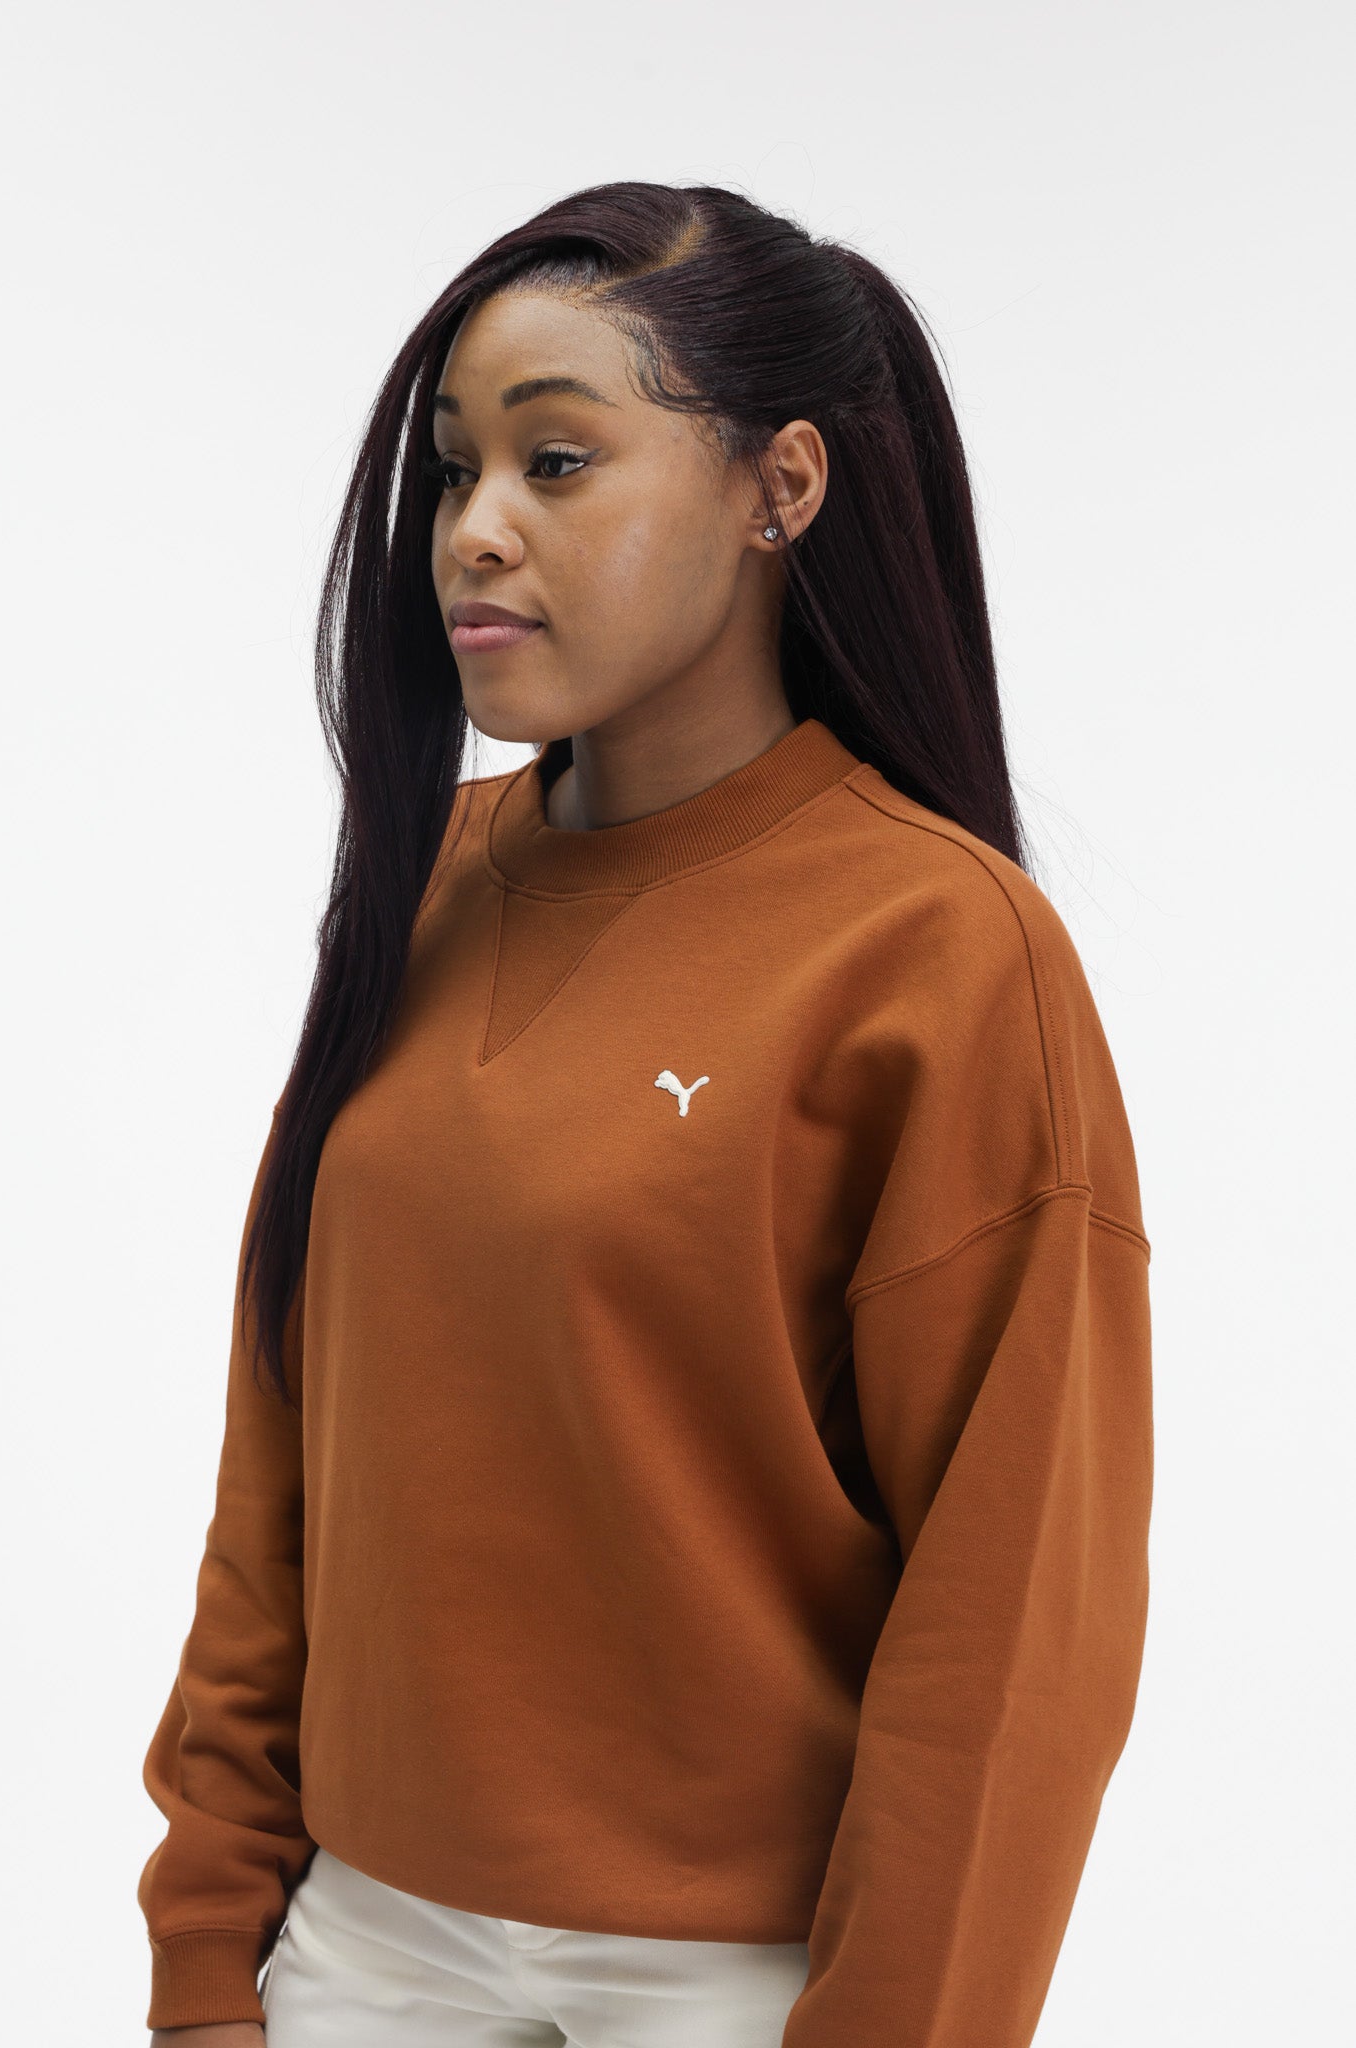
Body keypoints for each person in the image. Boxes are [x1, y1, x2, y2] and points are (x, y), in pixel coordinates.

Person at [136, 180, 1153, 2048]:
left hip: (734, 1983)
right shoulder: (421, 888)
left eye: (556, 459)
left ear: (780, 487)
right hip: (363, 1949)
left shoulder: (939, 949)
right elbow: (283, 1448)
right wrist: (210, 1948)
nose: (475, 528)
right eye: (455, 469)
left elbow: (1014, 1618)